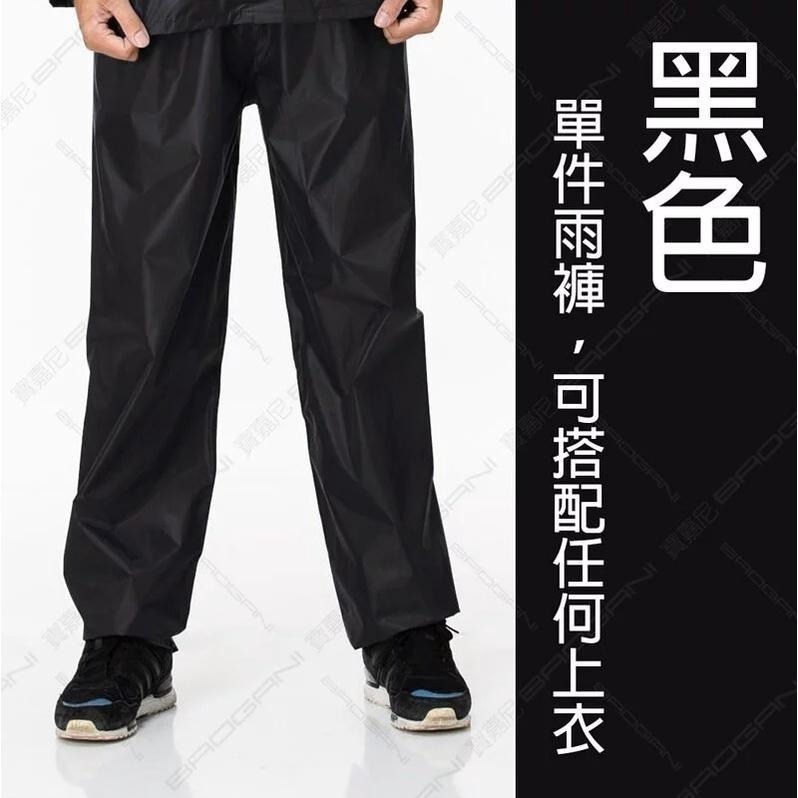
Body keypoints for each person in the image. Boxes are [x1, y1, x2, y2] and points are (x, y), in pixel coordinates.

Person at [49, 0, 470, 741]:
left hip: (340, 10)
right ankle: (125, 626)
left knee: (364, 310)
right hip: (154, 10)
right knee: (144, 317)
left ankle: (403, 618)